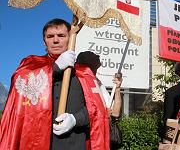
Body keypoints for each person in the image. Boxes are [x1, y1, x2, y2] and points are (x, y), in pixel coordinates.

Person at [0, 18, 109, 150]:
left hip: (74, 144)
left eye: (61, 36)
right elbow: (20, 81)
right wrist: (54, 69)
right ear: (44, 41)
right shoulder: (31, 64)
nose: (55, 40)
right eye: (50, 36)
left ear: (70, 38)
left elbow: (98, 109)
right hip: (35, 143)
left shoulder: (84, 72)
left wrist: (75, 119)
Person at [76, 51, 123, 150]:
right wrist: (101, 113)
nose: (98, 56)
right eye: (92, 55)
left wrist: (118, 89)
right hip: (87, 139)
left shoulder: (98, 83)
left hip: (102, 138)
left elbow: (115, 113)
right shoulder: (77, 81)